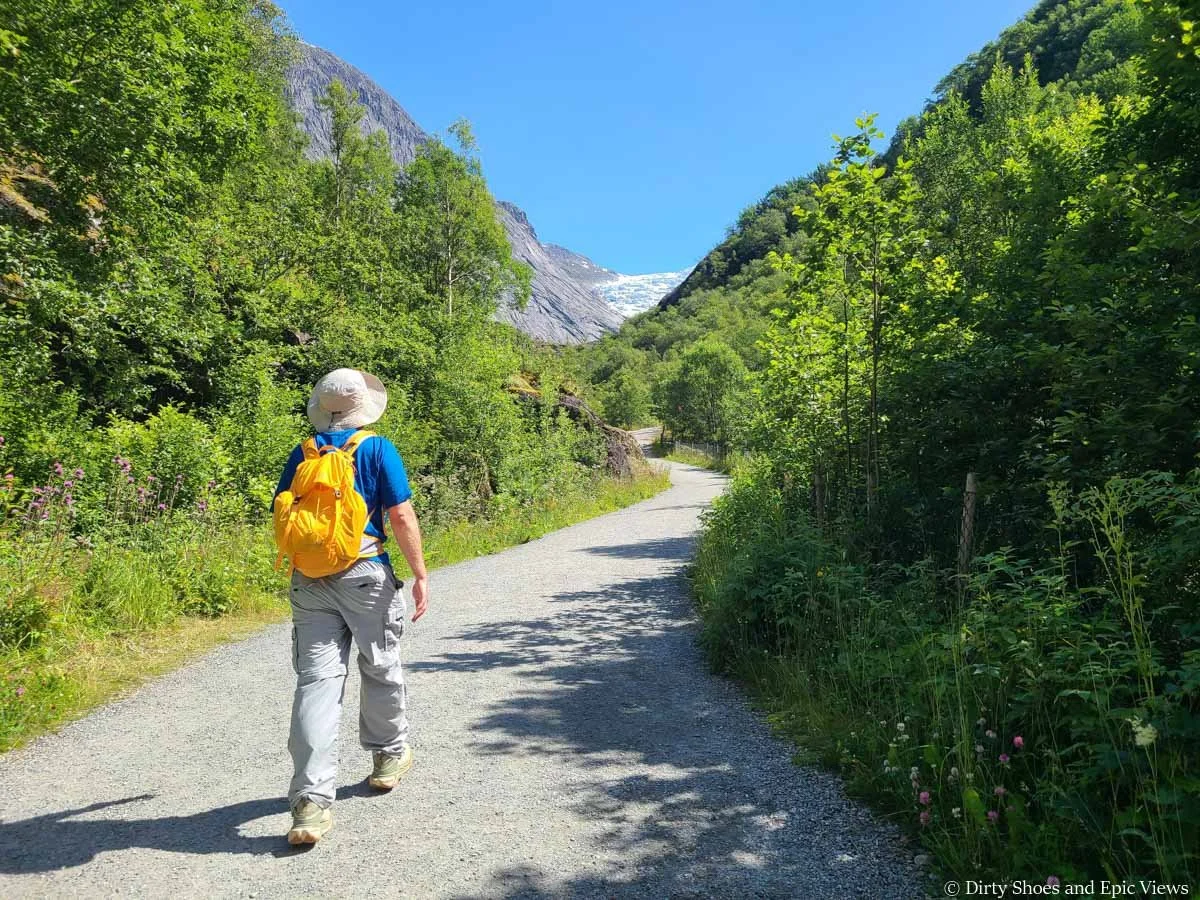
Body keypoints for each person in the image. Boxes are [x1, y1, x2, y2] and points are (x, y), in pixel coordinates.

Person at [274, 368, 429, 845]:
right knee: (380, 664)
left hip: (308, 580)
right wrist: (420, 574)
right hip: (365, 573)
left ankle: (310, 802)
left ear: (322, 409)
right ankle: (387, 757)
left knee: (316, 683)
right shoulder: (377, 449)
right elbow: (399, 515)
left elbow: (281, 511)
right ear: (364, 408)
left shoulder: (303, 453)